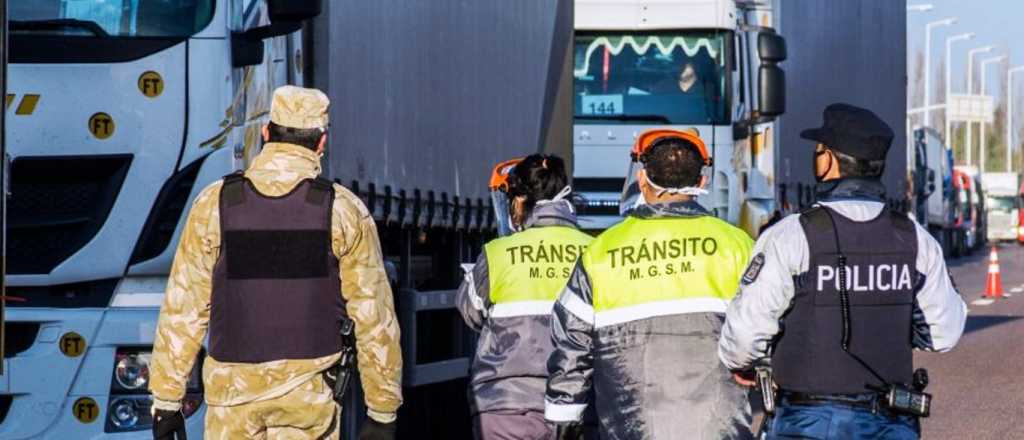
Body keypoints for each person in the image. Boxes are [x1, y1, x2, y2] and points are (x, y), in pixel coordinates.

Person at [149, 85, 403, 440]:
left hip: (231, 399)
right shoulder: (342, 210)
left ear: (266, 134)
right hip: (309, 397)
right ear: (321, 143)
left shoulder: (215, 204)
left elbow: (183, 310)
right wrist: (382, 412)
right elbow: (375, 319)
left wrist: (166, 401)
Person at [718, 103, 968, 439]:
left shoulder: (790, 236)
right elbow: (944, 333)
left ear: (830, 160)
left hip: (806, 421)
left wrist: (745, 362)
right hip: (892, 421)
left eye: (819, 150)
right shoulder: (915, 239)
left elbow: (744, 338)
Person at [545, 129, 754, 439]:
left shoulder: (600, 252)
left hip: (630, 427)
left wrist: (564, 416)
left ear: (642, 180)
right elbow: (764, 331)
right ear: (702, 182)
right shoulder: (738, 246)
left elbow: (572, 344)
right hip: (720, 428)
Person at [457, 154, 594, 440]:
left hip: (503, 406)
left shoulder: (498, 252)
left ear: (519, 200)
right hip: (575, 404)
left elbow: (470, 312)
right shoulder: (594, 252)